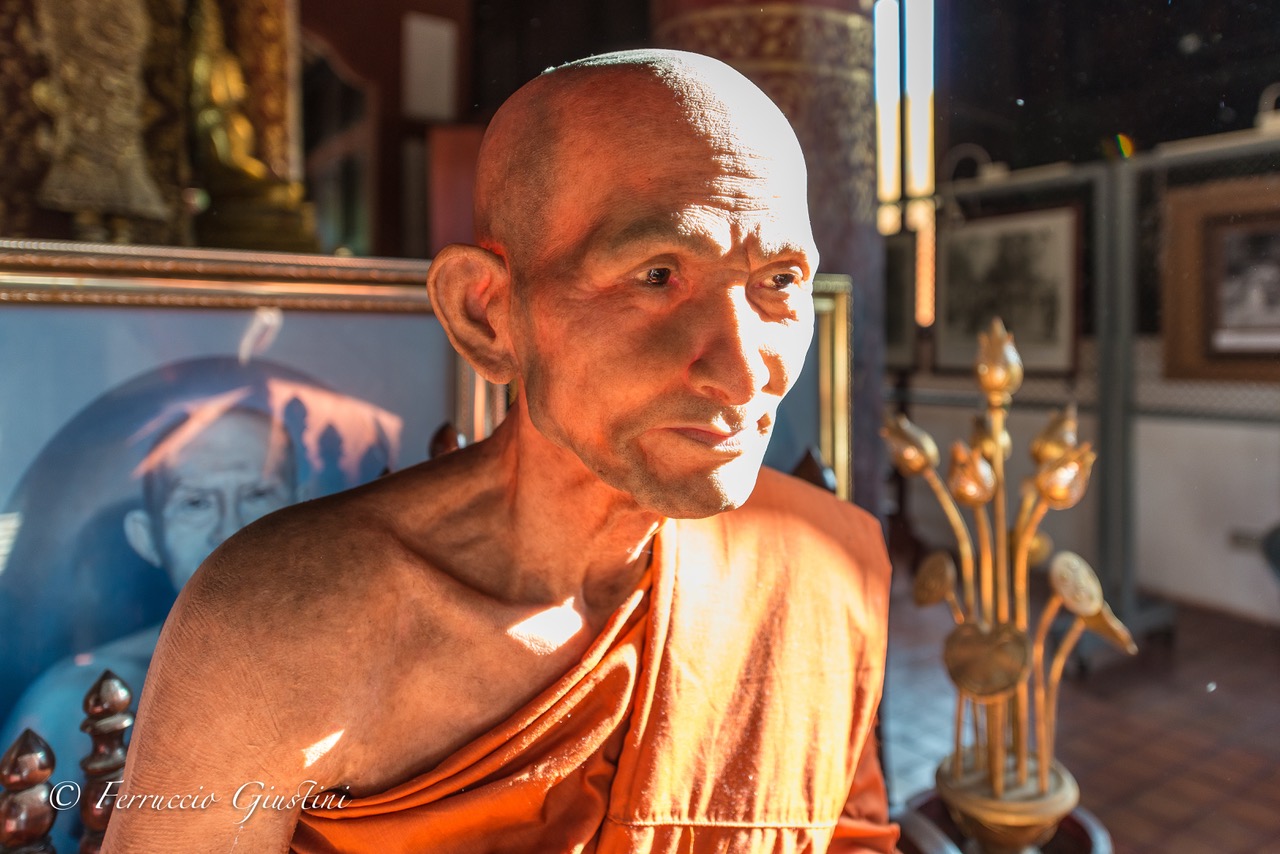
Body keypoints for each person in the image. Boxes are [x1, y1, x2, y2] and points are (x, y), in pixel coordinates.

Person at [105, 49, 899, 853]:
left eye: (781, 280)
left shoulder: (828, 572)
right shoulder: (281, 626)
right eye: (657, 274)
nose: (741, 370)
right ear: (487, 315)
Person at [3, 406, 296, 854]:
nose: (231, 527)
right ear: (147, 537)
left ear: (306, 513)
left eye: (258, 493)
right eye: (195, 502)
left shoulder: (367, 676)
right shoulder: (69, 700)